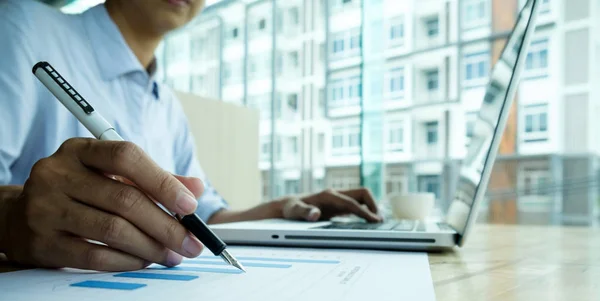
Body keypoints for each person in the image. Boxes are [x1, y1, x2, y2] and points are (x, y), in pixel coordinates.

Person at [0, 0, 381, 272]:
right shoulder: (20, 28)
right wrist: (11, 217)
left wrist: (283, 209)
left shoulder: (167, 105)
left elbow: (203, 214)